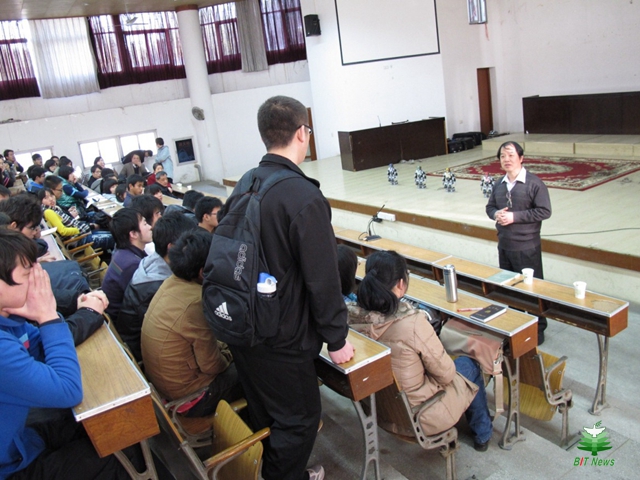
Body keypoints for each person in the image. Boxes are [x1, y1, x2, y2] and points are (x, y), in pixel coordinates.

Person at [216, 96, 354, 480]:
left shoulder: (246, 182)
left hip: (242, 324)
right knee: (300, 421)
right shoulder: (303, 196)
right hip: (282, 337)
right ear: (301, 133)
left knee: (266, 412)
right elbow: (322, 278)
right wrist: (337, 338)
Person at [0, 229, 134, 479]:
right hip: (9, 467)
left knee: (119, 429)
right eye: (29, 274)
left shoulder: (10, 318)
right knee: (119, 459)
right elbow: (69, 390)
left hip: (20, 441)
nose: (40, 279)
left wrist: (48, 317)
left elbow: (43, 345)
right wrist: (47, 315)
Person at [348, 250, 493, 452]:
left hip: (380, 408)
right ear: (401, 284)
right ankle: (483, 434)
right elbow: (447, 374)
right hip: (420, 415)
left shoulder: (353, 317)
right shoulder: (413, 323)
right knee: (469, 364)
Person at [143, 230, 242, 417]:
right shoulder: (196, 303)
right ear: (203, 272)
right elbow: (212, 365)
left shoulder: (170, 283)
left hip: (163, 386)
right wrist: (229, 354)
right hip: (189, 398)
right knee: (252, 366)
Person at [485, 141, 551, 345]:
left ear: (521, 158)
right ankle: (516, 327)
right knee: (510, 289)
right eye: (502, 156)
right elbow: (489, 207)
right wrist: (495, 213)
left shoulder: (534, 183)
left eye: (511, 155)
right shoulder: (499, 183)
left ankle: (538, 330)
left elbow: (544, 211)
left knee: (532, 290)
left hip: (527, 247)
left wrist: (515, 217)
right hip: (504, 245)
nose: (506, 159)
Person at [118, 212, 196, 361]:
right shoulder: (157, 287)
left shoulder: (153, 261)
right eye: (190, 244)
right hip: (143, 354)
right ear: (172, 248)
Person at [102, 208, 153, 321]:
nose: (150, 227)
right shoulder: (131, 265)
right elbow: (143, 301)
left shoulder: (122, 253)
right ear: (133, 234)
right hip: (123, 322)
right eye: (145, 223)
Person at [38, 188, 115, 254]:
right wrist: (80, 230)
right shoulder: (48, 212)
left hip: (81, 234)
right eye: (46, 198)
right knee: (114, 238)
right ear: (40, 201)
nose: (51, 199)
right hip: (78, 239)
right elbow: (63, 231)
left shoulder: (55, 208)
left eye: (51, 195)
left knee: (112, 233)